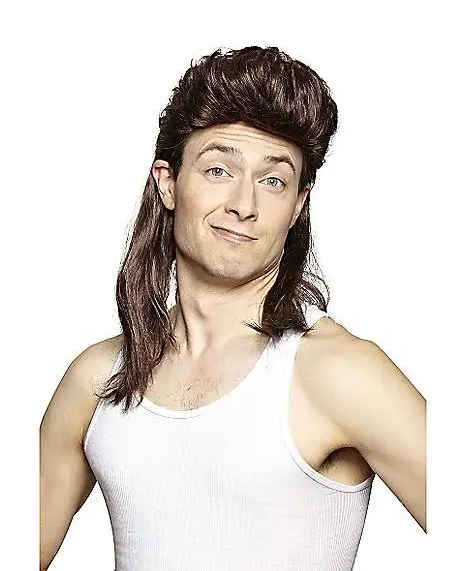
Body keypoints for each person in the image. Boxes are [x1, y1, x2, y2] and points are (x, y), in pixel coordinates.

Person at [40, 46, 426, 570]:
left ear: (298, 205)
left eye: (273, 181)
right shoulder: (98, 378)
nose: (245, 205)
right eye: (219, 170)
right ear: (169, 182)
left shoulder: (337, 372)